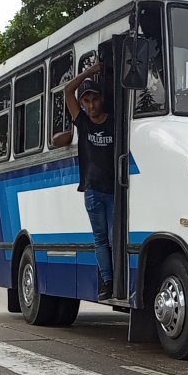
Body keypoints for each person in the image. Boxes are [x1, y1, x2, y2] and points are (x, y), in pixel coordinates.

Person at [62, 62, 115, 300]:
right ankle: (107, 282)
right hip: (92, 191)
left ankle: (114, 278)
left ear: (101, 99)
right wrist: (90, 72)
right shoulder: (82, 123)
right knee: (101, 239)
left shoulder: (114, 122)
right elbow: (67, 91)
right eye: (86, 101)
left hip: (114, 190)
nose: (91, 105)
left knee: (114, 238)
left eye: (94, 100)